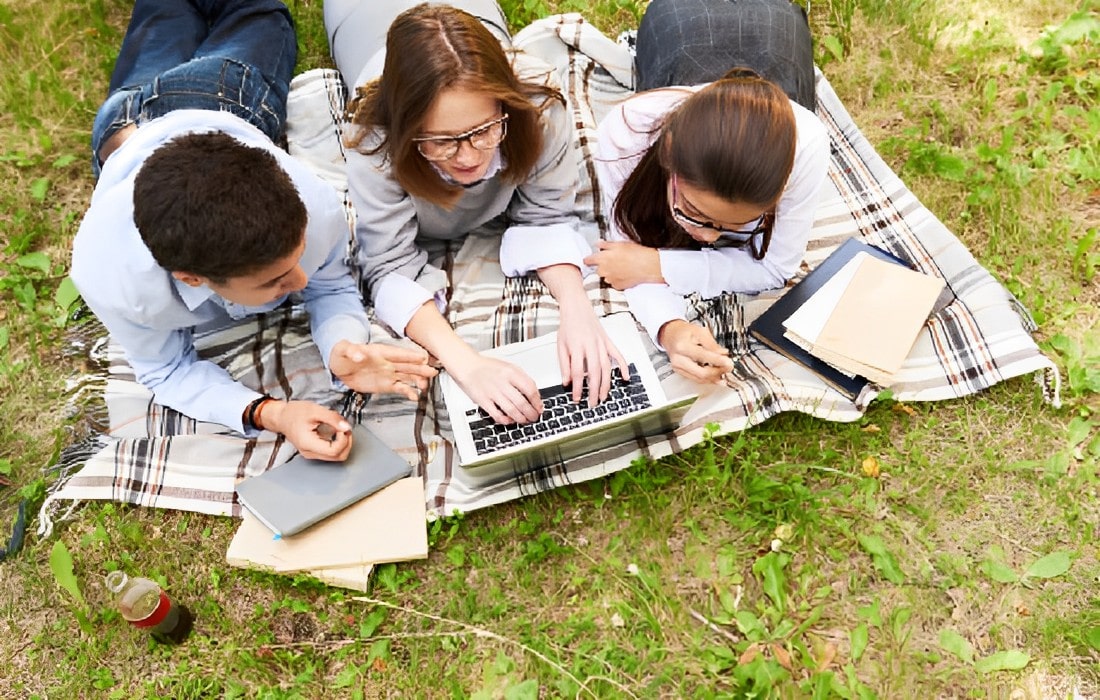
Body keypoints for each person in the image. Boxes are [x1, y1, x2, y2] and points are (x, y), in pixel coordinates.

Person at [71, 0, 437, 462]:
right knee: (253, 17)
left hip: (214, 113)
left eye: (297, 259)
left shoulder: (312, 205)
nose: (300, 283)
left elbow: (330, 284)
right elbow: (165, 371)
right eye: (275, 281)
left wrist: (342, 345)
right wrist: (272, 413)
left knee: (185, 15)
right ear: (191, 277)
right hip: (161, 114)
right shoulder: (116, 284)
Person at [324, 1, 627, 426]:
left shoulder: (537, 100)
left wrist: (579, 311)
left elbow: (548, 215)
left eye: (484, 130)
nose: (469, 157)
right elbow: (388, 265)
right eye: (441, 141)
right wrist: (466, 364)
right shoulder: (373, 135)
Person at [584, 0, 830, 385]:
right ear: (668, 160)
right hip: (679, 15)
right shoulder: (629, 131)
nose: (710, 238)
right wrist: (672, 330)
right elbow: (625, 254)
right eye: (694, 212)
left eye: (739, 223)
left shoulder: (807, 144)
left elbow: (775, 267)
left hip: (775, 27)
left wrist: (658, 265)